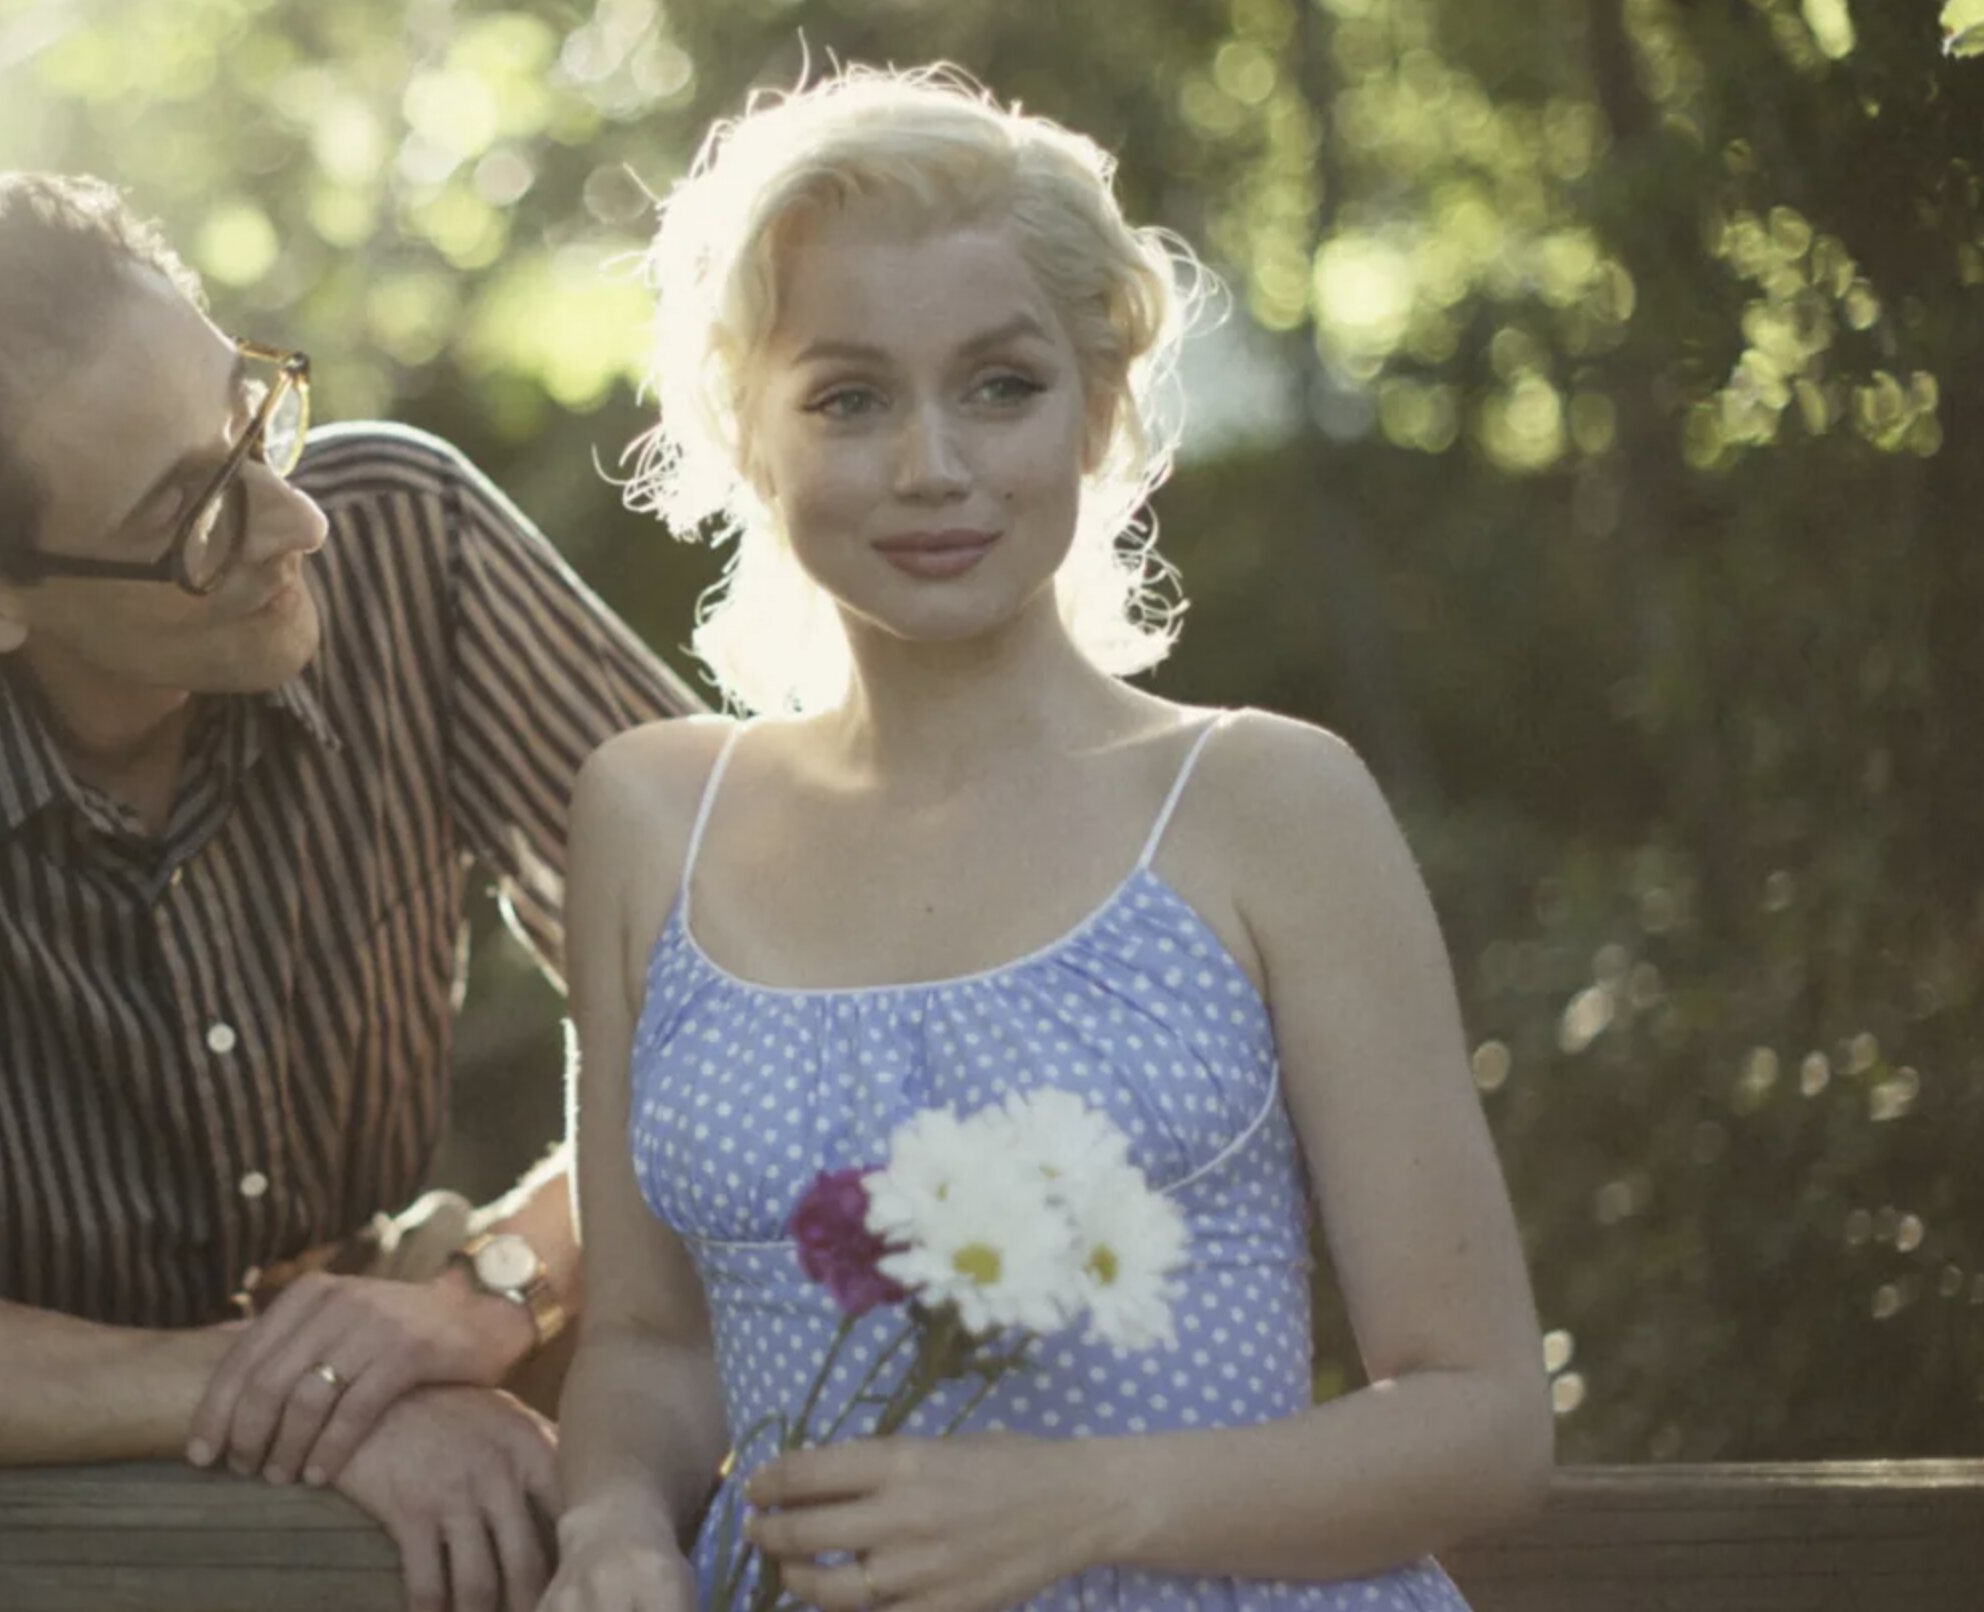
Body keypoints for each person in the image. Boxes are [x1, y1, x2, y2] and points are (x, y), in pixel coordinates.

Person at [542, 68, 1550, 1612]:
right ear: (747, 430)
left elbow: (1483, 1423)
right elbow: (651, 1345)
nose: (934, 464)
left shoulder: (1268, 804)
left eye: (1001, 384)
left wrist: (1085, 1502)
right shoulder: (649, 817)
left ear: (1099, 406)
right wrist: (612, 1527)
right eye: (850, 396)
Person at [0, 172, 697, 1611]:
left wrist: (482, 1300)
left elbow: (758, 981)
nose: (292, 523)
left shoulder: (405, 533)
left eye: (250, 415)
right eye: (194, 509)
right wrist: (323, 1406)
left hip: (419, 1313)